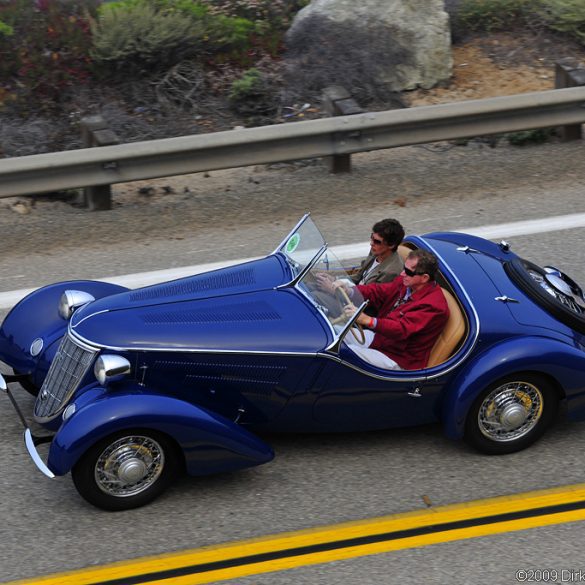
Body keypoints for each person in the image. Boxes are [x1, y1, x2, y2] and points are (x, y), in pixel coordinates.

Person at [338, 249, 449, 370]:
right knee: (334, 333)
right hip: (382, 340)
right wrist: (350, 290)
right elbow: (379, 291)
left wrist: (368, 320)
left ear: (424, 278)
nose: (402, 274)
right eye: (404, 268)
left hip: (398, 357)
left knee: (343, 351)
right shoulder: (407, 282)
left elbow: (401, 329)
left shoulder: (434, 306)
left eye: (408, 271)